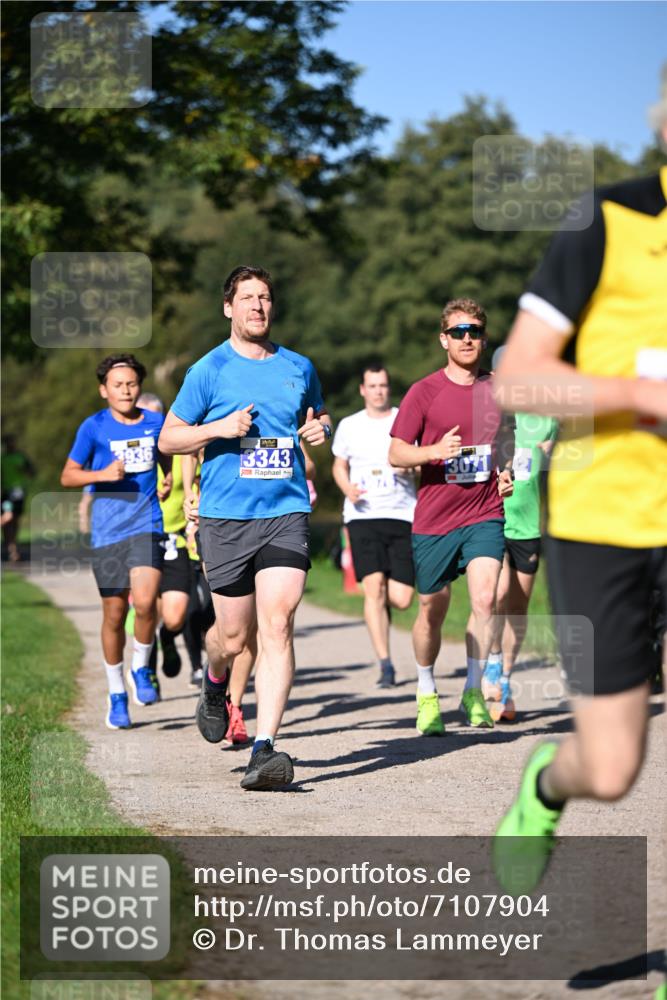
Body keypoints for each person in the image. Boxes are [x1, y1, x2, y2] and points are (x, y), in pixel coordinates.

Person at [493, 122, 667, 892]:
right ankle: (544, 784)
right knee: (608, 766)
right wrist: (638, 396)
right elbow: (519, 378)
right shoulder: (607, 220)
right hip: (604, 521)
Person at [159, 264, 331, 790]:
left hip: (285, 512)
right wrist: (219, 429)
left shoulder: (298, 366)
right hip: (226, 518)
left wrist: (320, 427)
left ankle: (265, 748)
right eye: (247, 298)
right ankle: (215, 683)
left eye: (265, 298)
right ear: (229, 308)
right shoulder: (208, 371)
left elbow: (318, 415)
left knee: (277, 623)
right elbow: (169, 439)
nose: (258, 306)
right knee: (232, 637)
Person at [388, 298, 515, 733]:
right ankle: (426, 691)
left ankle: (474, 690)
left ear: (483, 338)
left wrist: (506, 472)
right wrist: (434, 452)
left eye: (474, 331)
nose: (467, 338)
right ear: (444, 339)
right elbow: (396, 453)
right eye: (458, 331)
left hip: (484, 511)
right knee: (431, 608)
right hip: (435, 517)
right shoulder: (424, 392)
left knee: (485, 600)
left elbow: (505, 443)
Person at [60, 355, 172, 729]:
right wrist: (103, 473)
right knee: (113, 613)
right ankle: (116, 693)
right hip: (108, 532)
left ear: (139, 387)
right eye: (117, 385)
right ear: (104, 390)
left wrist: (168, 476)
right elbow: (68, 476)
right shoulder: (93, 428)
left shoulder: (156, 422)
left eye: (131, 384)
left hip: (147, 523)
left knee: (144, 603)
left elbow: (168, 454)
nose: (125, 390)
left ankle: (141, 668)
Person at [481, 346, 558, 721]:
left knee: (517, 605)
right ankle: (491, 661)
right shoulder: (484, 416)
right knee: (494, 595)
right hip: (491, 519)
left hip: (528, 525)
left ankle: (506, 678)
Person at [332, 364, 417, 687]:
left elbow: (419, 460)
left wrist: (411, 471)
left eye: (383, 385)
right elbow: (339, 466)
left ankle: (385, 611)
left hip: (402, 513)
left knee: (402, 598)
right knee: (374, 588)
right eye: (373, 385)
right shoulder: (350, 425)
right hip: (363, 515)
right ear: (362, 390)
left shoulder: (404, 419)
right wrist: (347, 489)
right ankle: (386, 664)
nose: (379, 390)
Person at [1, 435, 34, 562]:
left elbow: (31, 472)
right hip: (7, 494)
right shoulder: (2, 459)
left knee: (14, 520)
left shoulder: (21, 457)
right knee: (8, 517)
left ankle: (12, 546)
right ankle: (11, 548)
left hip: (19, 493)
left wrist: (23, 470)